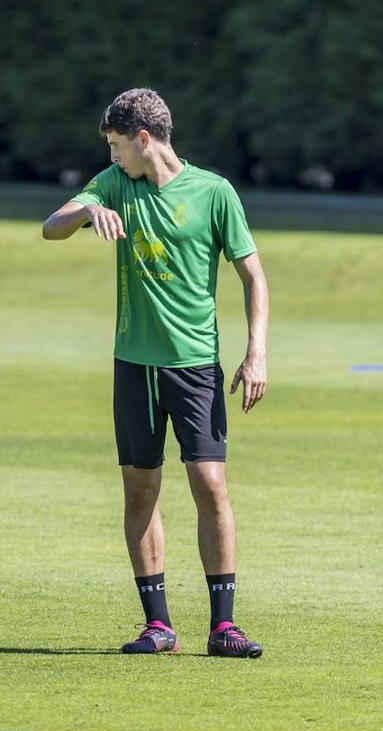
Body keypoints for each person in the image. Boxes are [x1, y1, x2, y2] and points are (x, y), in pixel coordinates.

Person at [42, 88, 269, 658]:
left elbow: (253, 278)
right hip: (135, 368)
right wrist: (85, 210)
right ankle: (158, 625)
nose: (112, 156)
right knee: (140, 489)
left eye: (118, 146)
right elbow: (51, 226)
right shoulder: (115, 184)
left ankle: (224, 627)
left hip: (196, 367)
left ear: (144, 139)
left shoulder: (215, 192)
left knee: (211, 486)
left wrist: (256, 351)